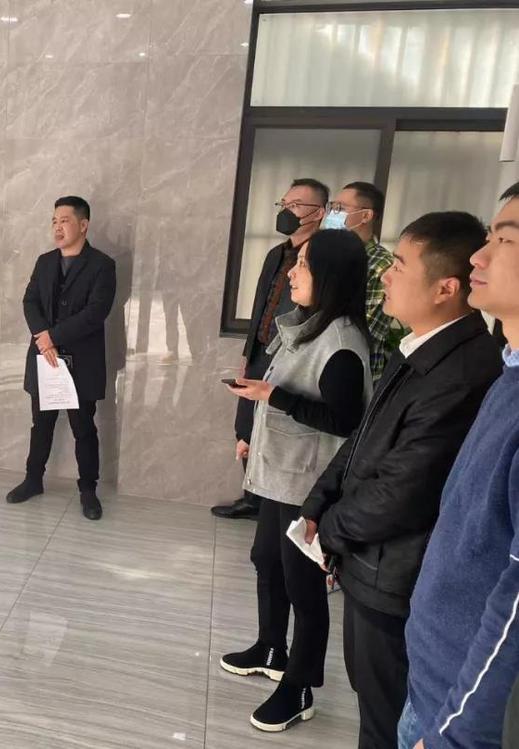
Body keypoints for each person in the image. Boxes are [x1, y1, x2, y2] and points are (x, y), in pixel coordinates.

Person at [300, 212, 502, 749]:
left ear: (445, 288)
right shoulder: (419, 347)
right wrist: (318, 504)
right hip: (370, 562)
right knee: (373, 703)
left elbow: (404, 490)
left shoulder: (464, 373)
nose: (385, 275)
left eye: (400, 265)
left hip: (394, 576)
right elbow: (363, 439)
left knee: (385, 718)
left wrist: (331, 532)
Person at [219, 229, 372, 732]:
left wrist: (273, 396)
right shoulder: (309, 326)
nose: (291, 273)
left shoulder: (341, 343)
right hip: (281, 475)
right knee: (266, 560)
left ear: (329, 275)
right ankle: (270, 647)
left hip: (307, 485)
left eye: (302, 264)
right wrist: (261, 402)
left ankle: (299, 687)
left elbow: (346, 421)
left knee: (304, 588)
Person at [398, 183, 519, 749]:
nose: (479, 257)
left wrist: (456, 734)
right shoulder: (508, 376)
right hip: (434, 682)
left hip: (458, 716)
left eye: (505, 240)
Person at [211, 178, 327, 520]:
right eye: (284, 204)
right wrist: (248, 353)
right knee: (246, 423)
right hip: (262, 350)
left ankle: (276, 503)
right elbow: (260, 306)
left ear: (319, 212)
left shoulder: (321, 257)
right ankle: (253, 498)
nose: (287, 211)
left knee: (276, 427)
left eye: (296, 205)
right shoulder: (276, 254)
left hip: (292, 355)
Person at [6, 196, 116, 521]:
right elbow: (30, 302)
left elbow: (96, 312)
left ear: (84, 225)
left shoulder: (102, 265)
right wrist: (44, 339)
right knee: (41, 424)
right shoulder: (44, 262)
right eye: (54, 221)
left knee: (84, 428)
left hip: (82, 361)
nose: (57, 227)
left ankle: (88, 490)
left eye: (64, 220)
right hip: (45, 357)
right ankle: (33, 480)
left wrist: (53, 337)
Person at [322, 181, 398, 380]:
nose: (334, 213)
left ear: (366, 215)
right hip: (319, 363)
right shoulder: (331, 255)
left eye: (341, 208)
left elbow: (365, 329)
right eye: (333, 207)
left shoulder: (381, 265)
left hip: (354, 372)